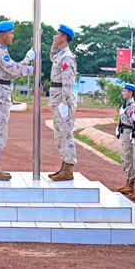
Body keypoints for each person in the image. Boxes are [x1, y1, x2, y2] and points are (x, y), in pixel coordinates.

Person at [0, 21, 34, 180]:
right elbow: (13, 69)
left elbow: (11, 73)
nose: (12, 36)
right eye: (10, 33)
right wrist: (27, 59)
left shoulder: (0, 50)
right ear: (2, 35)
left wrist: (25, 71)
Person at [47, 25, 78, 181]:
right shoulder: (60, 54)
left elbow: (68, 81)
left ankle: (68, 169)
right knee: (60, 134)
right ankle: (64, 166)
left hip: (62, 99)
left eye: (57, 35)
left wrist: (65, 102)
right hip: (57, 97)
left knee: (65, 134)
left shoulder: (67, 57)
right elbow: (52, 54)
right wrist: (56, 43)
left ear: (64, 37)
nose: (54, 37)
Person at [114, 83, 135, 193]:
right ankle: (128, 182)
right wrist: (118, 127)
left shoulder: (132, 106)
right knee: (125, 158)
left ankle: (131, 184)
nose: (123, 93)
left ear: (130, 93)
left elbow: (132, 121)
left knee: (129, 158)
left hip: (129, 133)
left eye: (125, 91)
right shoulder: (125, 105)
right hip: (124, 132)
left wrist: (123, 116)